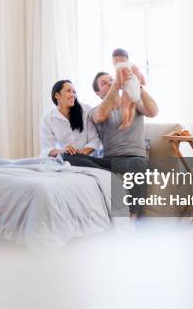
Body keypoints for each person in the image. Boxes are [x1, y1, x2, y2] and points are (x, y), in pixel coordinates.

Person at [63, 69, 159, 218]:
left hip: (133, 159)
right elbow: (100, 116)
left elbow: (153, 112)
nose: (110, 83)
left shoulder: (134, 103)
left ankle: (132, 217)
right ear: (98, 92)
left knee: (138, 165)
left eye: (111, 80)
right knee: (69, 157)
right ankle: (106, 174)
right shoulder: (95, 111)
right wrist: (115, 86)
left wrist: (138, 85)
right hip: (110, 161)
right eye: (104, 83)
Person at [39, 79, 100, 158]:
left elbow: (94, 140)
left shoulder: (86, 111)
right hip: (62, 158)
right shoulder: (48, 118)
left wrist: (81, 154)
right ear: (57, 95)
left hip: (86, 157)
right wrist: (63, 151)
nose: (72, 95)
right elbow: (47, 148)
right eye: (68, 91)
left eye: (74, 92)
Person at [111, 48, 146, 130]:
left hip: (128, 90)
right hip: (137, 91)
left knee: (125, 107)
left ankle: (125, 123)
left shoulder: (119, 66)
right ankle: (129, 122)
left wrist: (120, 85)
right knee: (132, 107)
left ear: (116, 59)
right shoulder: (133, 65)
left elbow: (120, 81)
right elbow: (142, 80)